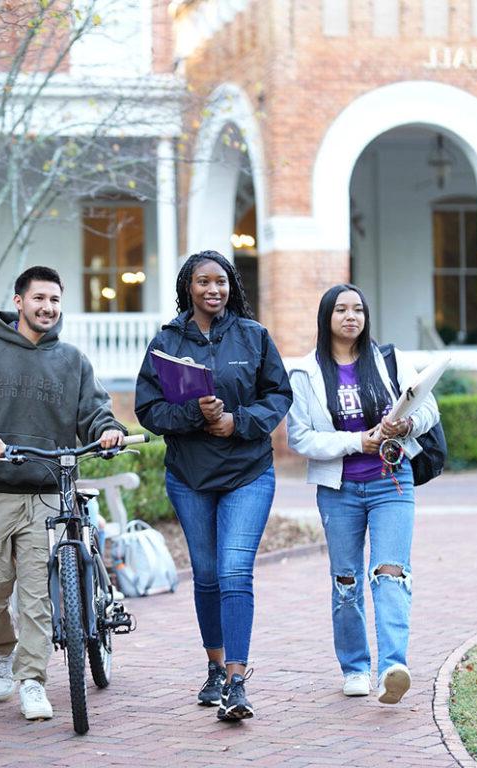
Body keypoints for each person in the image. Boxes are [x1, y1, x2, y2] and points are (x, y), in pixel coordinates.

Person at [0, 265, 126, 721]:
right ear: (20, 300)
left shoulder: (72, 360)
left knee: (37, 595)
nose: (48, 308)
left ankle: (32, 680)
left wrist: (107, 431)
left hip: (49, 492)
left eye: (55, 300)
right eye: (40, 298)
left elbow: (96, 412)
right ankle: (2, 652)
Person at [134, 250, 293, 722]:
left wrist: (237, 421)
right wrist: (193, 416)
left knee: (234, 571)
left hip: (247, 471)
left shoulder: (253, 335)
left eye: (220, 281)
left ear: (231, 286)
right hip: (190, 477)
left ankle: (238, 681)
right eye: (203, 281)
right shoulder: (166, 341)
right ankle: (216, 666)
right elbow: (149, 410)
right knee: (205, 573)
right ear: (188, 286)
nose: (213, 290)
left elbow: (279, 394)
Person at [285, 283, 439, 704]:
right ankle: (355, 667)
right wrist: (357, 442)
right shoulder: (306, 373)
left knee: (391, 573)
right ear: (326, 318)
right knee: (346, 580)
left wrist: (406, 425)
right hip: (339, 489)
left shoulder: (390, 361)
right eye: (341, 310)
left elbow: (428, 408)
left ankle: (393, 665)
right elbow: (300, 437)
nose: (351, 316)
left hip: (392, 481)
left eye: (358, 309)